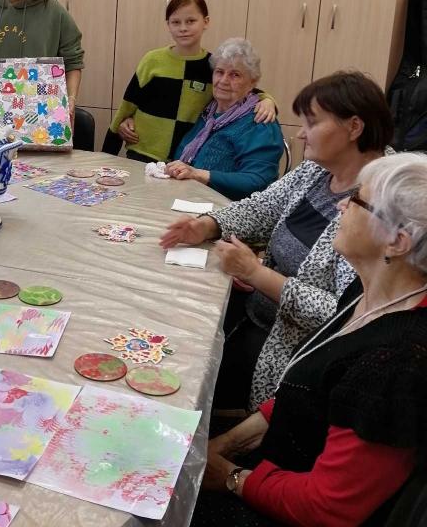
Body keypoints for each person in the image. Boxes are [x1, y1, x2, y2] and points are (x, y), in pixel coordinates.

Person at [193, 152, 427, 527]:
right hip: (275, 466)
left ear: (397, 243)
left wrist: (232, 478)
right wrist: (224, 445)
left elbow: (328, 509)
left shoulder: (395, 363)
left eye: (357, 201)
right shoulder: (365, 290)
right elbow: (307, 393)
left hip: (286, 506)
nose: (338, 205)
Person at [160, 71, 394, 411]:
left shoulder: (378, 203)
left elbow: (346, 314)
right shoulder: (317, 170)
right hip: (253, 314)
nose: (300, 134)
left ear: (354, 128)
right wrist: (208, 225)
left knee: (181, 378)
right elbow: (262, 207)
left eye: (312, 123)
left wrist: (258, 275)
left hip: (293, 349)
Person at [110, 0, 275, 162]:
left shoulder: (214, 65)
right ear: (168, 24)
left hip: (184, 160)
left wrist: (268, 100)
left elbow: (244, 88)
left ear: (206, 22)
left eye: (191, 21)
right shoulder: (152, 60)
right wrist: (109, 152)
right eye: (176, 22)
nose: (183, 28)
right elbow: (127, 105)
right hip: (141, 151)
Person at [166, 38, 284, 200]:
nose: (223, 81)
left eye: (235, 75)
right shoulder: (208, 112)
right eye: (219, 72)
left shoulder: (259, 121)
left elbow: (258, 181)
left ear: (252, 83)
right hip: (186, 197)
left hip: (227, 210)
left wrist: (199, 174)